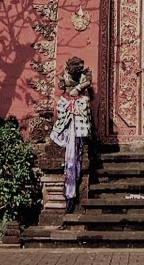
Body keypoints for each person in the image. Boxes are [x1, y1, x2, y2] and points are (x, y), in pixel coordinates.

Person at [50, 56, 92, 211]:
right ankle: (69, 193)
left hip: (79, 109)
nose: (75, 69)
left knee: (77, 150)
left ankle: (72, 191)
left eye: (78, 66)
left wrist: (79, 89)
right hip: (67, 108)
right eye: (73, 66)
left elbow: (87, 83)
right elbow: (61, 86)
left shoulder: (84, 76)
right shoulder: (65, 75)